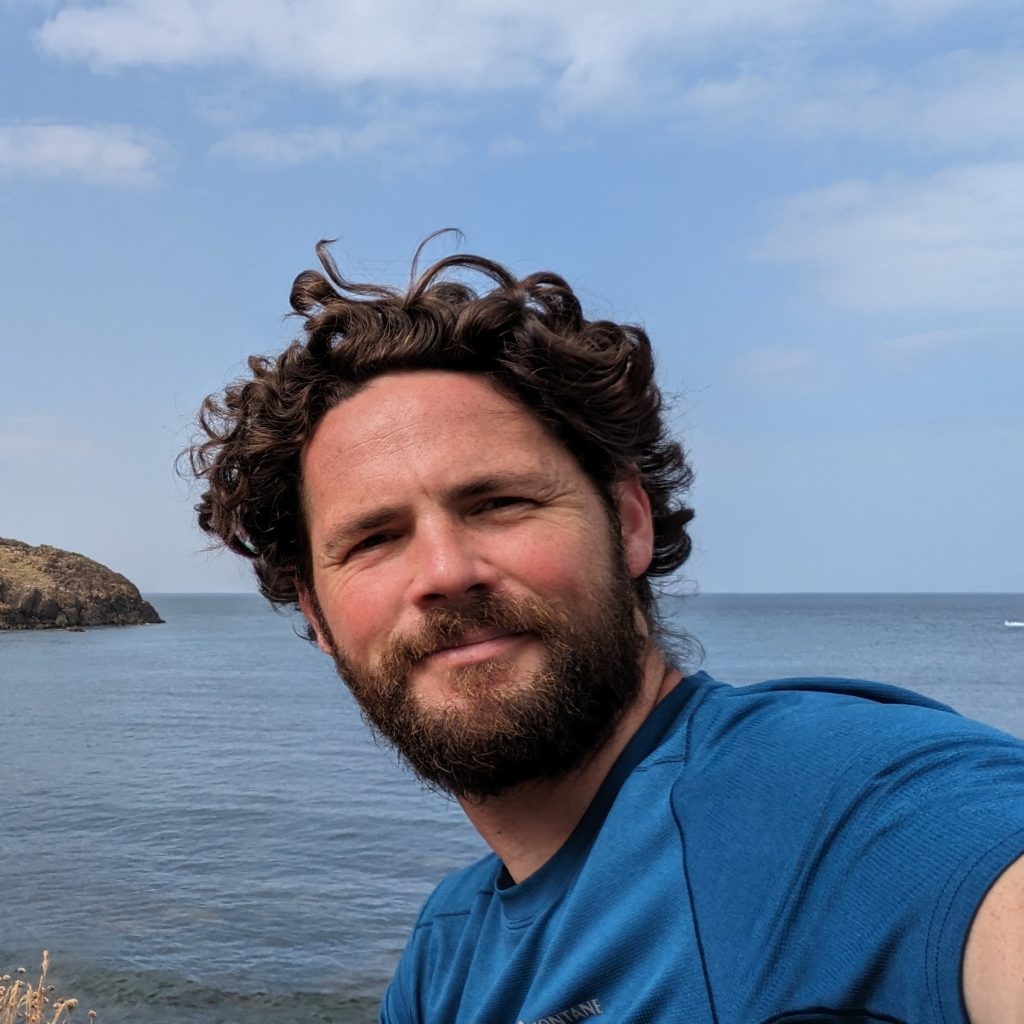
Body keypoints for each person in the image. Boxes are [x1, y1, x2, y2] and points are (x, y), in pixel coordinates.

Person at [188, 236, 1024, 1024]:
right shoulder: (446, 958)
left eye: (500, 502)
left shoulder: (849, 803)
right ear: (318, 616)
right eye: (374, 539)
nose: (444, 572)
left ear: (628, 523)